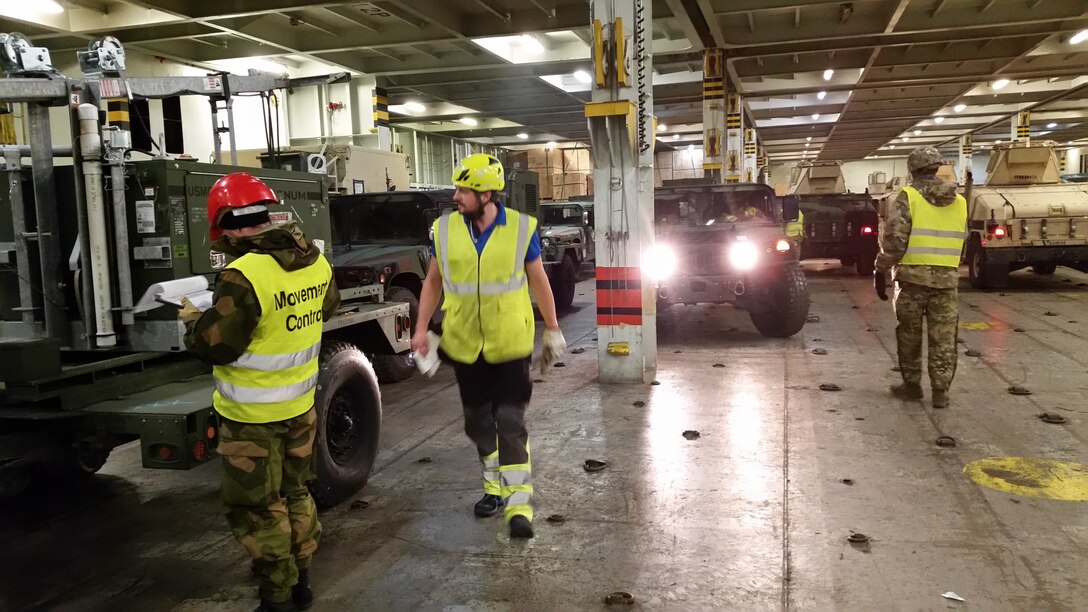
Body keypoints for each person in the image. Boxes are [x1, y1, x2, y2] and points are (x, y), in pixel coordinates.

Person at [181, 172, 340, 612]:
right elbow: (327, 308)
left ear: (229, 226)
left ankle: (276, 596)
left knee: (257, 507)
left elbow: (216, 346)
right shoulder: (316, 261)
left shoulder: (243, 274)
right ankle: (302, 580)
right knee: (296, 493)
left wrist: (194, 318)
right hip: (300, 408)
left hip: (251, 419)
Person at [412, 153, 566, 539]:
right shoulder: (444, 229)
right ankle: (493, 485)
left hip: (510, 345)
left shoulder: (520, 228)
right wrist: (420, 329)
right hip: (466, 346)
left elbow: (538, 280)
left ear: (487, 194)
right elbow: (433, 282)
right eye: (458, 188)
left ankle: (519, 505)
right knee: (478, 424)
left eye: (464, 189)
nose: (456, 195)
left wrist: (553, 327)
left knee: (511, 424)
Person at [874, 147, 967, 409]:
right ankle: (941, 392)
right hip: (947, 282)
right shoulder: (959, 201)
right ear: (937, 167)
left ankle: (912, 386)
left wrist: (881, 267)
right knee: (944, 338)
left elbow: (895, 240)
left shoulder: (909, 196)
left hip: (912, 280)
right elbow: (965, 237)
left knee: (909, 335)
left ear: (912, 170)